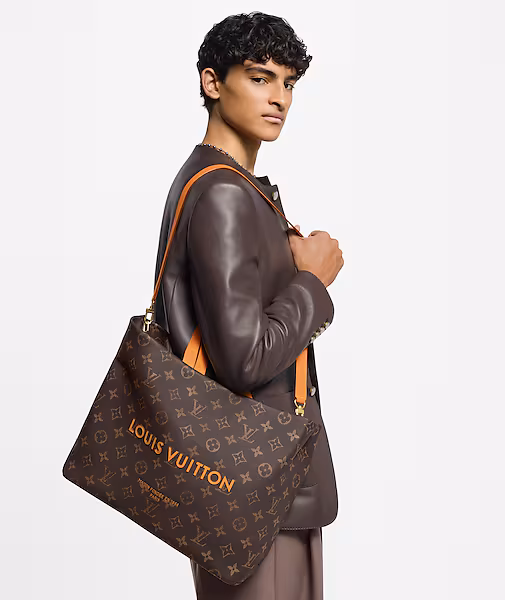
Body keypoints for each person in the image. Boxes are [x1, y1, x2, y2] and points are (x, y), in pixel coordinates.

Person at [152, 11, 344, 600]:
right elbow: (244, 360)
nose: (279, 98)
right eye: (260, 78)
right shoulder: (224, 193)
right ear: (213, 82)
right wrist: (312, 283)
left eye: (288, 83)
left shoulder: (227, 186)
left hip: (249, 481)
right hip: (253, 484)